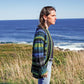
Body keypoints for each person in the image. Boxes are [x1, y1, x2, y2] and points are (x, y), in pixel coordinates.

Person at [31, 6, 56, 84]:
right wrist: (43, 70)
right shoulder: (41, 32)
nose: (55, 18)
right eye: (53, 16)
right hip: (44, 66)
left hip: (47, 64)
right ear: (45, 17)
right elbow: (38, 53)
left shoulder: (45, 31)